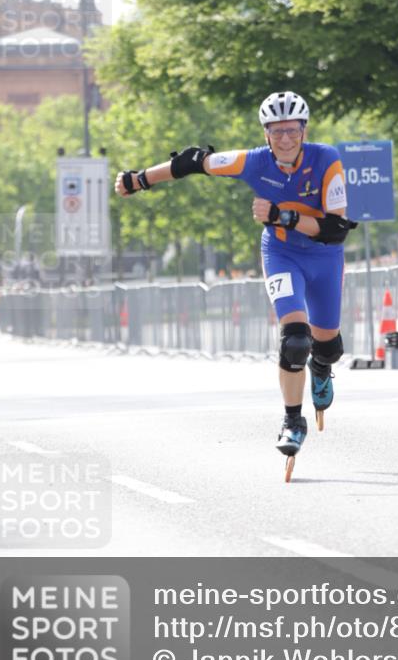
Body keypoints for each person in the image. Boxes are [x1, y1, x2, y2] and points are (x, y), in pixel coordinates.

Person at [114, 91, 357, 461]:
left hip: (324, 257)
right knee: (294, 341)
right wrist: (140, 180)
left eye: (292, 131)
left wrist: (281, 216)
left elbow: (336, 228)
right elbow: (195, 162)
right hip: (282, 254)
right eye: (277, 132)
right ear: (266, 135)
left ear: (304, 131)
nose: (286, 139)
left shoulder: (327, 160)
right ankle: (293, 421)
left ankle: (322, 367)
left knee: (328, 346)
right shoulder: (254, 162)